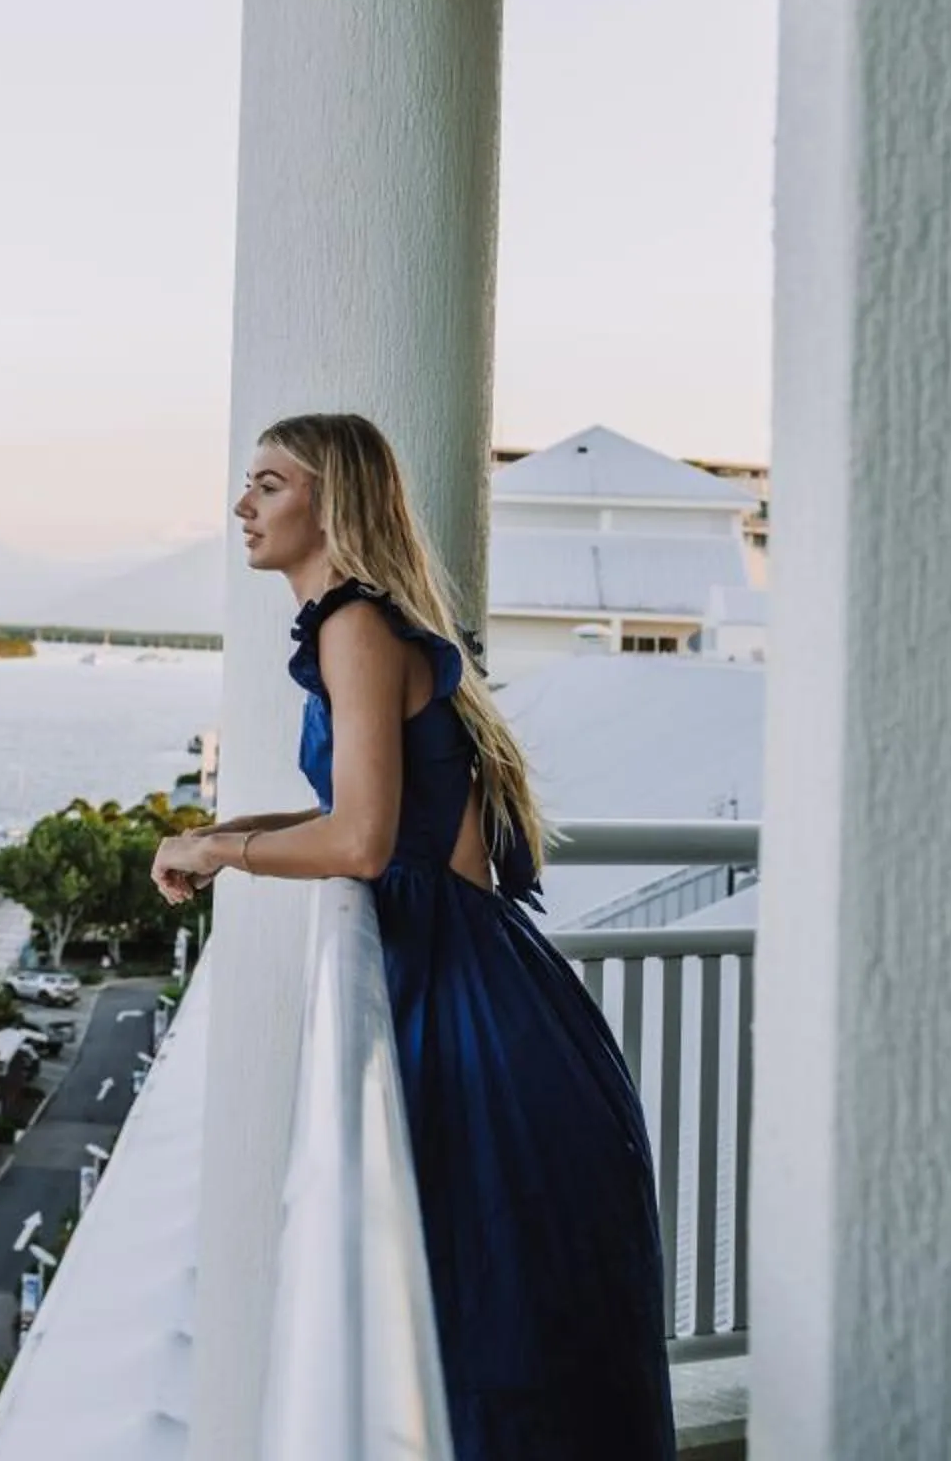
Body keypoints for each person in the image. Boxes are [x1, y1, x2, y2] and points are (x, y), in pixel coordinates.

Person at [151, 411, 675, 1460]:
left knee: (476, 1289)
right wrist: (222, 830)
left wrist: (221, 857)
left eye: (267, 483)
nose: (242, 504)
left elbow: (360, 838)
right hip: (489, 977)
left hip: (462, 991)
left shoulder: (355, 625)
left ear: (329, 501)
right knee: (492, 1290)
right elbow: (376, 822)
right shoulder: (371, 623)